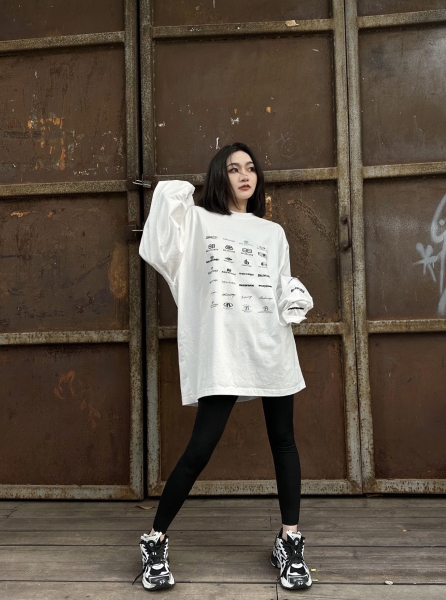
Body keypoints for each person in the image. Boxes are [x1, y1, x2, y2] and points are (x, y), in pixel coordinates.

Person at [134, 142, 314, 592]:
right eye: (233, 169)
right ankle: (154, 539)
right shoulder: (198, 222)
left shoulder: (272, 232)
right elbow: (158, 240)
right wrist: (185, 190)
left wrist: (294, 295)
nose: (245, 175)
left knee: (284, 442)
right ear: (220, 176)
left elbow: (280, 284)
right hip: (223, 351)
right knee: (200, 449)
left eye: (250, 168)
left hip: (270, 345)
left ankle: (290, 541)